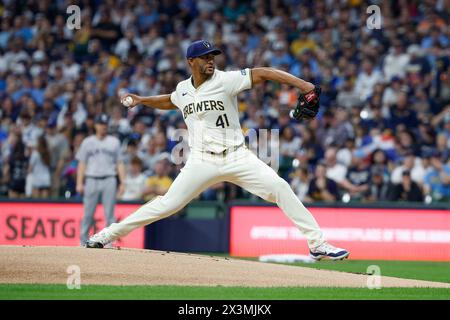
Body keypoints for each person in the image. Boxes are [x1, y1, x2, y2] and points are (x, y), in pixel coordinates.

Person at [86, 40, 349, 261]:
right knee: (166, 204)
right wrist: (142, 100)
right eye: (204, 57)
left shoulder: (227, 80)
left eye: (212, 56)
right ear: (191, 61)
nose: (210, 60)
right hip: (201, 161)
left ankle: (317, 244)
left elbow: (264, 72)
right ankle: (106, 236)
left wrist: (305, 87)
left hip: (237, 156)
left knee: (280, 187)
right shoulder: (183, 89)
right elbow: (170, 100)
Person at [76, 113, 126, 245]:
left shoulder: (114, 142)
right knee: (88, 214)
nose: (103, 126)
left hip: (109, 179)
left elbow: (120, 163)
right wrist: (79, 183)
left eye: (105, 124)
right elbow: (82, 163)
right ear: (96, 125)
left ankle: (108, 243)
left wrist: (122, 183)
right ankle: (83, 242)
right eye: (101, 124)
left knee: (109, 215)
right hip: (91, 179)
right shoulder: (88, 142)